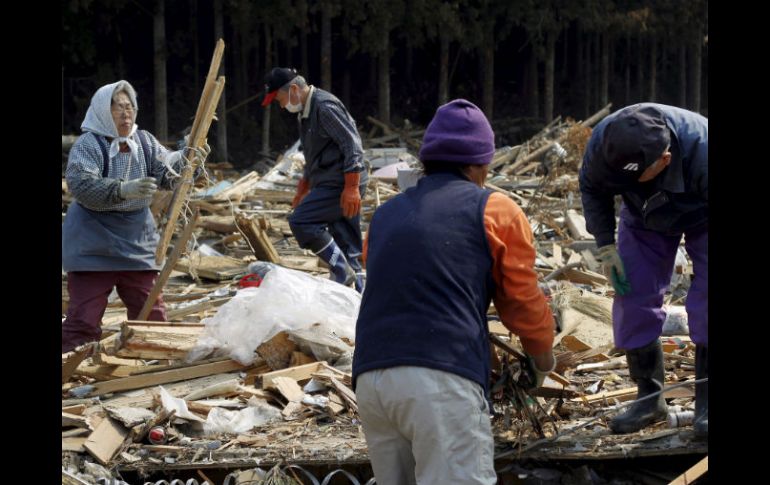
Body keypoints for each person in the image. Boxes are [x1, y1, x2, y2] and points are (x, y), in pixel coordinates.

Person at [352, 99, 555, 484]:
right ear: (480, 165)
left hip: (371, 379)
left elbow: (404, 283)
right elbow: (522, 304)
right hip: (440, 382)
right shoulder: (494, 209)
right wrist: (542, 361)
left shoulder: (385, 215)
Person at [579, 103, 707, 437]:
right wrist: (606, 245)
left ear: (664, 159)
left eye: (634, 175)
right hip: (645, 214)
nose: (624, 182)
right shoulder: (606, 144)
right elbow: (592, 189)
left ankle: (707, 402)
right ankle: (649, 397)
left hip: (703, 209)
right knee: (632, 292)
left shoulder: (702, 148)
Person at [62, 80, 209, 354]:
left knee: (150, 311)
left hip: (135, 237)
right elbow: (80, 185)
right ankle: (73, 369)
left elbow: (169, 173)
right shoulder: (89, 144)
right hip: (93, 240)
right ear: (103, 112)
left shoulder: (143, 141)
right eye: (117, 108)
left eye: (129, 107)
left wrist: (190, 156)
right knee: (83, 318)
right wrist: (121, 189)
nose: (125, 113)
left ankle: (152, 360)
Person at [261, 67, 368, 292]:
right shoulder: (305, 113)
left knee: (301, 221)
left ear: (293, 89)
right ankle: (358, 300)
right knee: (347, 243)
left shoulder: (324, 107)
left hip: (341, 181)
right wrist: (302, 190)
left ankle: (340, 269)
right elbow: (312, 156)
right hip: (329, 180)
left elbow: (352, 145)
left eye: (279, 99)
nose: (281, 105)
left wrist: (351, 187)